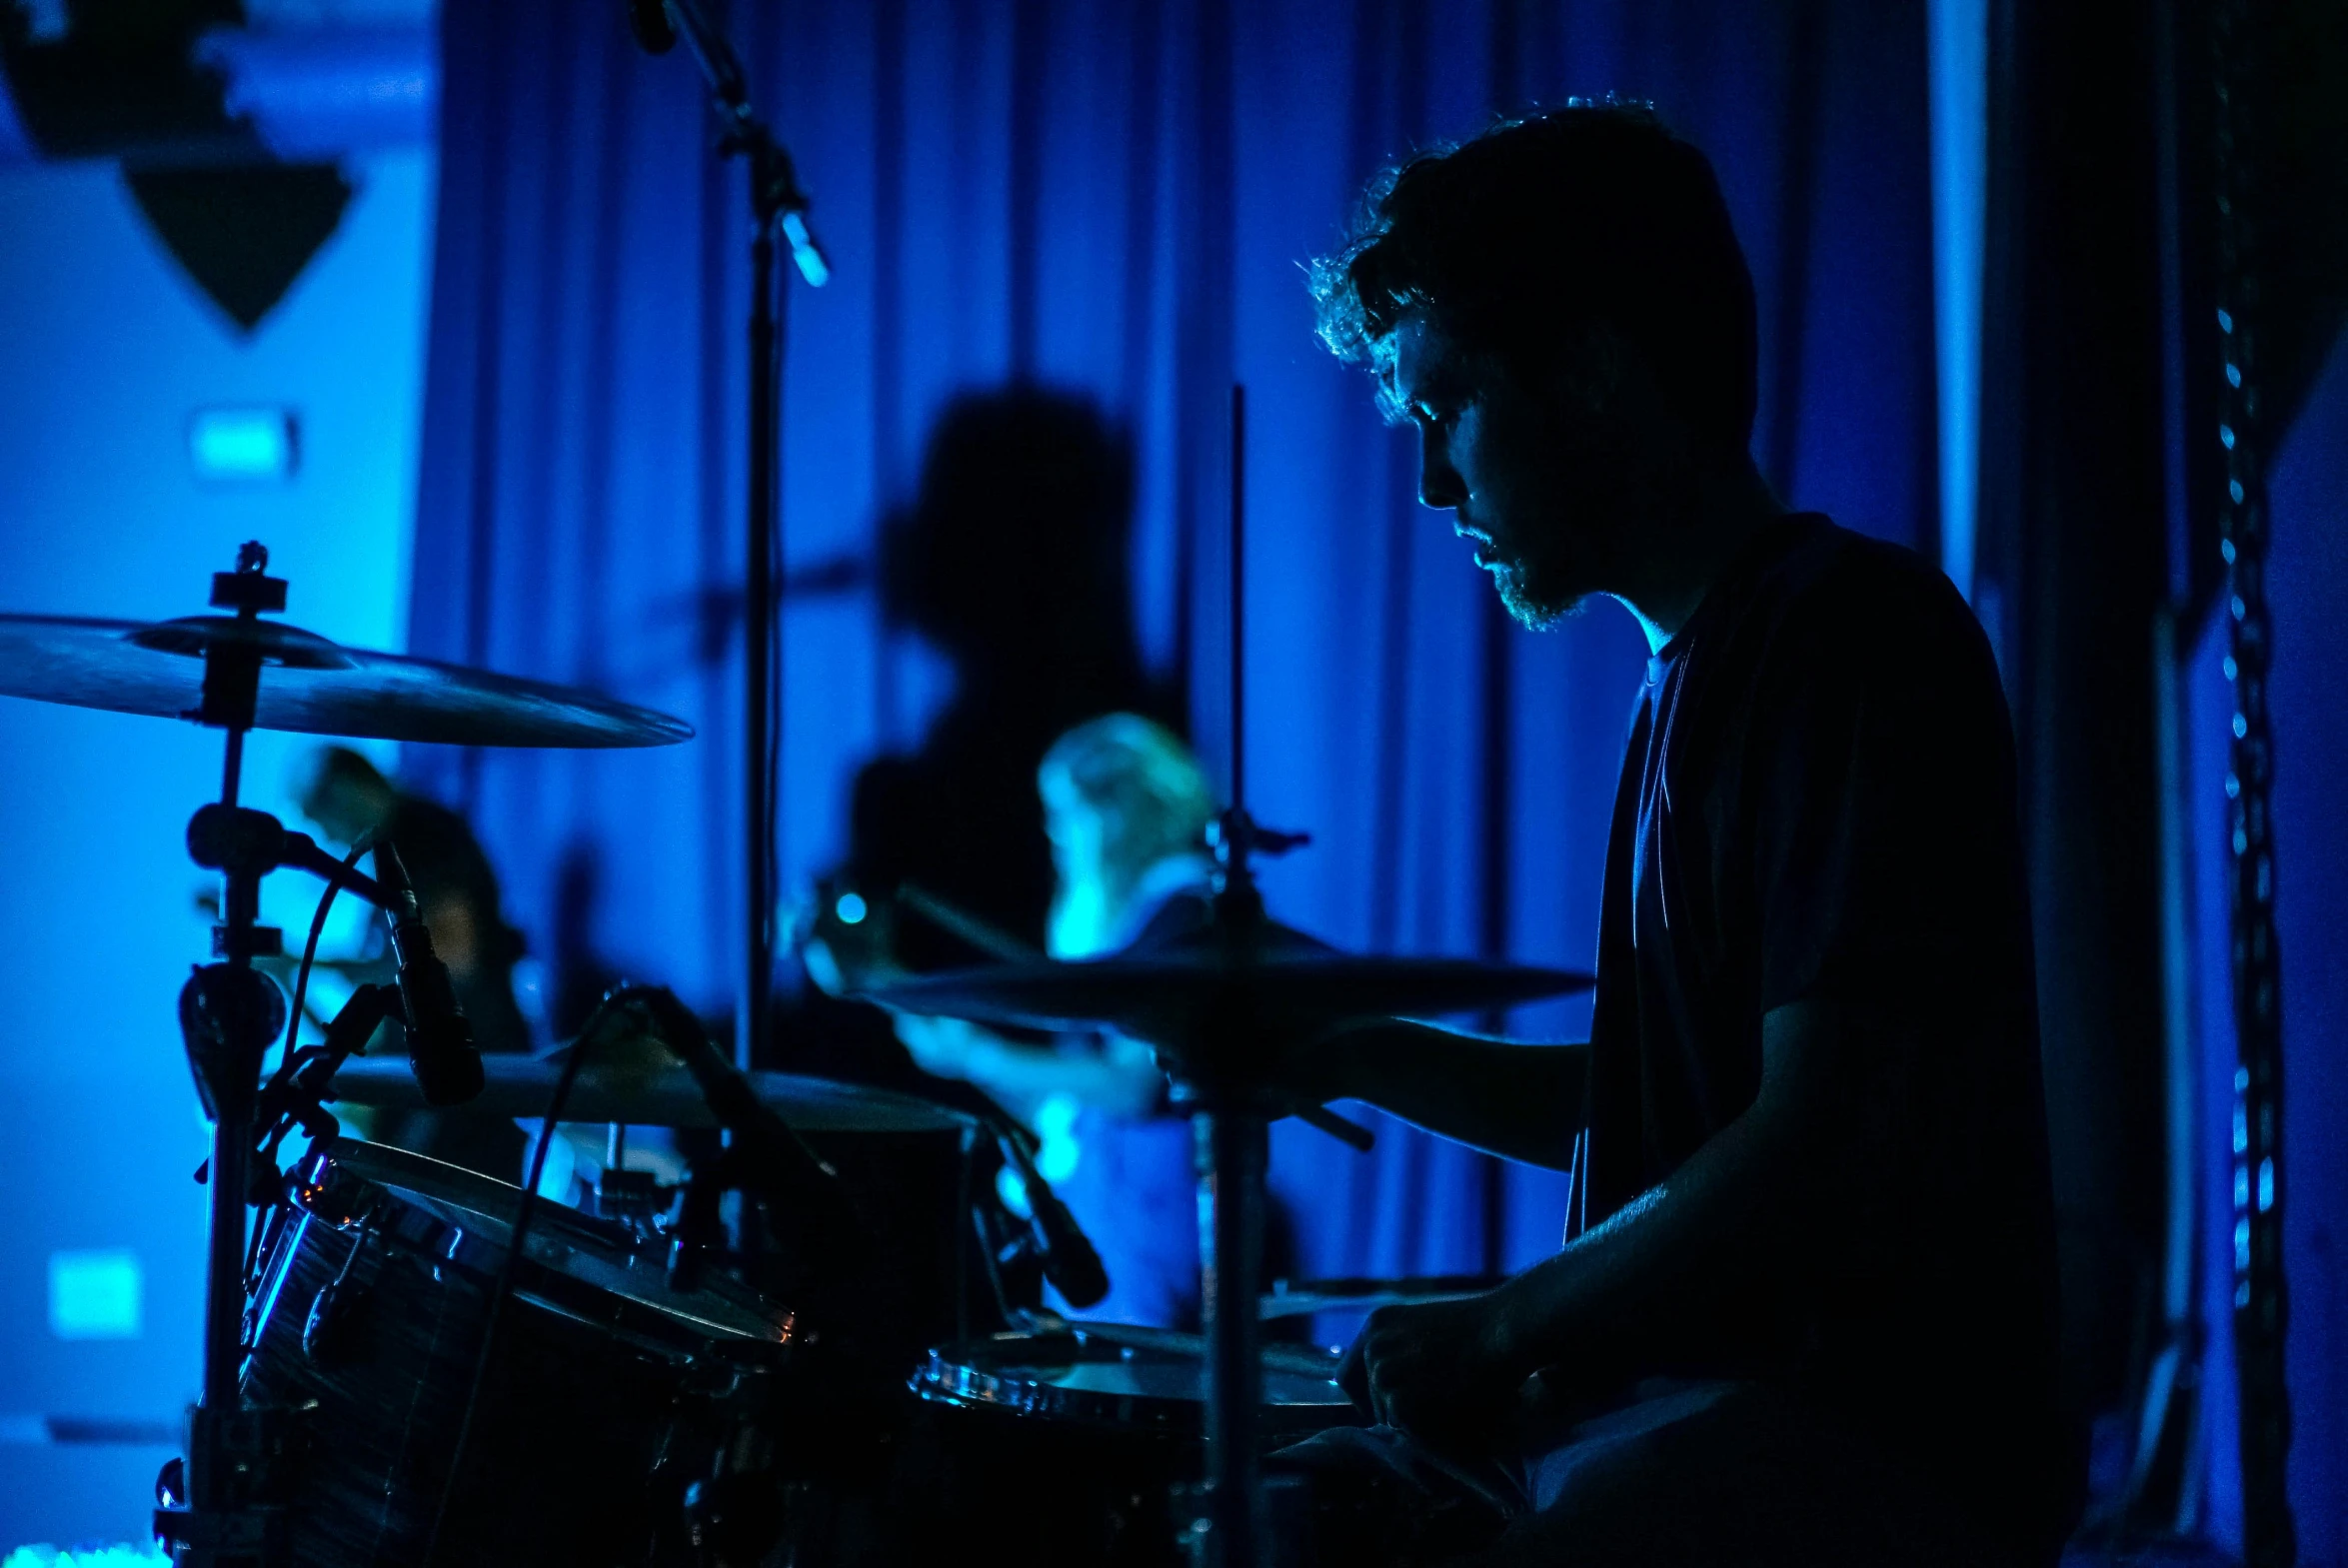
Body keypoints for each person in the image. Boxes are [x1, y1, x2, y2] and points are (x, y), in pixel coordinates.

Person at [1263, 102, 2080, 1566]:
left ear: (1591, 377)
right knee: (1273, 1509)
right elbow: (1676, 1112)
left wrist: (1504, 1320)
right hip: (1682, 1413)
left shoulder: (1850, 638)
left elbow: (1816, 1133)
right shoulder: (1683, 677)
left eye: (1447, 411)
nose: (1434, 486)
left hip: (1862, 1440)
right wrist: (1356, 1047)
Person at [296, 746, 534, 1177]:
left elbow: (451, 959)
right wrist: (293, 970)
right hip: (440, 1083)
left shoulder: (424, 838)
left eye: (318, 817)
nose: (328, 837)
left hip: (466, 1076)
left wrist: (302, 965)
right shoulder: (394, 860)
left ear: (348, 789)